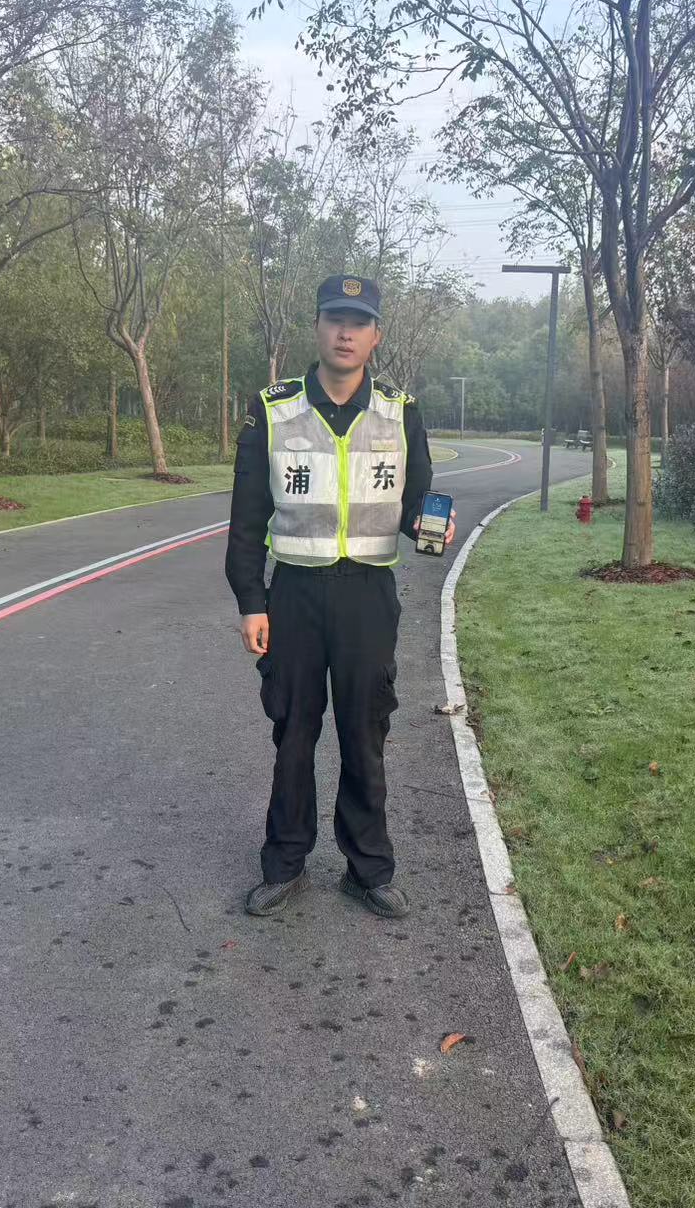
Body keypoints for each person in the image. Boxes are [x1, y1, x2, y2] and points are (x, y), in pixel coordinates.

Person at [225, 274, 455, 920]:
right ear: (317, 327)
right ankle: (284, 862)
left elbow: (414, 501)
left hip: (367, 596)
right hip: (294, 594)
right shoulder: (273, 410)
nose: (345, 333)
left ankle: (368, 868)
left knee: (364, 732)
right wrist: (251, 601)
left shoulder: (400, 411)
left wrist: (428, 526)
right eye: (334, 319)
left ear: (376, 335)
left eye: (358, 322)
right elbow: (246, 520)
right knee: (293, 732)